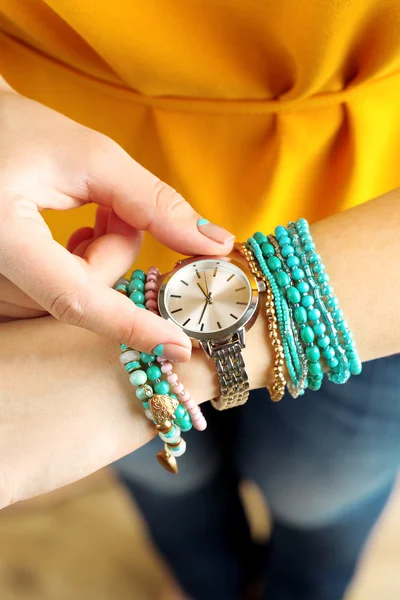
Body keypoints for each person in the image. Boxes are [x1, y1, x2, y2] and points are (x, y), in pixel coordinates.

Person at [0, 2, 400, 599]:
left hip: (372, 238)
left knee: (318, 491)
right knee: (169, 483)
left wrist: (129, 373)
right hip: (69, 223)